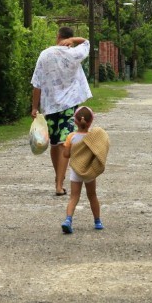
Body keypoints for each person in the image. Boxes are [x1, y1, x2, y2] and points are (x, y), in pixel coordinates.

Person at [31, 27, 92, 196]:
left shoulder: (45, 55)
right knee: (64, 143)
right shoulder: (74, 54)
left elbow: (36, 83)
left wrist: (34, 107)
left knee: (54, 143)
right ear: (69, 39)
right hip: (69, 105)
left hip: (49, 106)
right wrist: (75, 40)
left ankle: (57, 179)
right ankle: (59, 183)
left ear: (57, 36)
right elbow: (87, 42)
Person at [60, 106, 103, 233]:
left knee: (74, 197)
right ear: (90, 122)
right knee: (92, 195)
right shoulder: (92, 138)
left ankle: (68, 220)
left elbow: (66, 155)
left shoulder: (71, 137)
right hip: (89, 171)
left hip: (75, 171)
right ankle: (97, 221)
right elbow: (98, 152)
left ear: (75, 121)